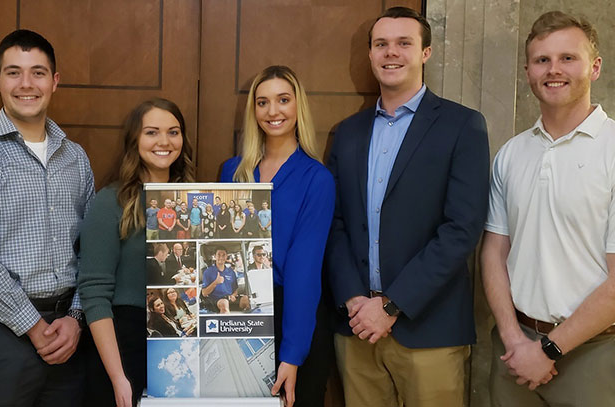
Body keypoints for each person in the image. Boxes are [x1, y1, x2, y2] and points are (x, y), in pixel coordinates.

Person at [325, 7, 490, 407]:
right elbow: (334, 224)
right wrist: (353, 300)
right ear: (370, 54)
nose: (391, 53)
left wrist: (394, 304)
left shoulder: (462, 126)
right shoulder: (347, 133)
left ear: (426, 52)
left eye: (404, 43)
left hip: (429, 329)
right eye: (381, 44)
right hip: (356, 327)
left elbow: (461, 229)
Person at [0, 29, 94, 406]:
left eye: (38, 72)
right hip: (2, 333)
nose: (26, 84)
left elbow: (91, 247)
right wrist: (33, 326)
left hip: (69, 333)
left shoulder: (76, 157)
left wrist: (76, 317)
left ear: (54, 81)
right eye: (14, 72)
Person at [481, 11, 615, 406]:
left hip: (593, 353)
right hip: (515, 347)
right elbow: (494, 251)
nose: (553, 70)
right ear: (527, 71)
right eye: (542, 60)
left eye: (567, 58)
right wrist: (513, 339)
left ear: (594, 67)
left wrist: (549, 350)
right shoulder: (512, 153)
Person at [220, 64, 335, 407]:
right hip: (238, 313)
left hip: (292, 316)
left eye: (283, 100)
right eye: (262, 102)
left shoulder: (317, 179)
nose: (273, 111)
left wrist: (293, 354)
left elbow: (305, 271)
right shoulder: (233, 171)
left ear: (298, 106)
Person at [77, 98, 194, 407]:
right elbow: (94, 293)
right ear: (134, 140)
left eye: (174, 132)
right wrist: (118, 377)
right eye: (152, 132)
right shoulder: (110, 203)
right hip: (121, 346)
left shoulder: (193, 201)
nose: (164, 142)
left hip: (181, 342)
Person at [201, 247, 250, 314]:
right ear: (215, 256)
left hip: (230, 299)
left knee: (246, 299)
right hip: (217, 301)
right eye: (219, 255)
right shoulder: (208, 272)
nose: (221, 257)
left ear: (226, 256)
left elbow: (235, 290)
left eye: (223, 255)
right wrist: (215, 283)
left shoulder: (231, 272)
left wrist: (233, 295)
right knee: (224, 303)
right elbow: (204, 293)